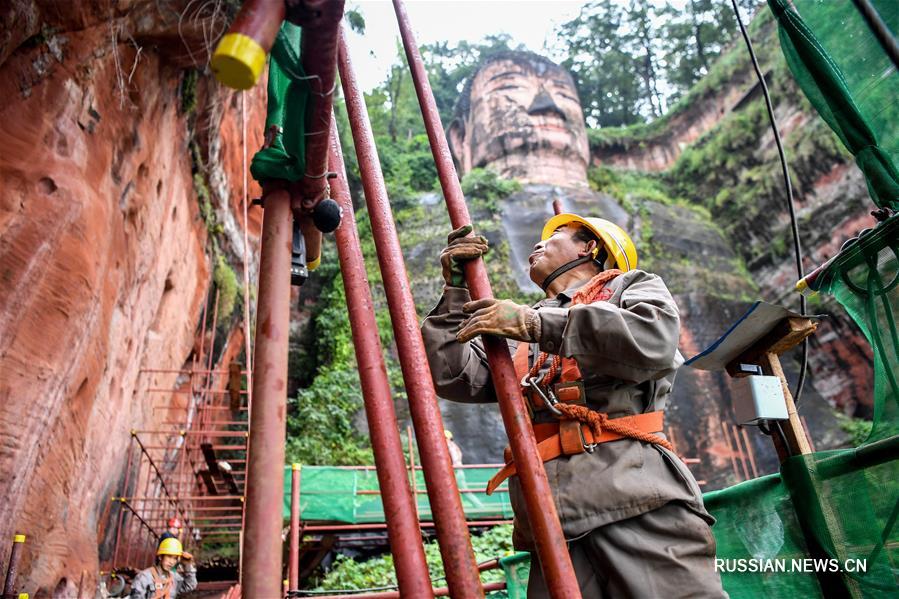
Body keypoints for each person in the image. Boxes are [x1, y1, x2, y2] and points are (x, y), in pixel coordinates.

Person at [421, 215, 725, 597]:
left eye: (556, 236)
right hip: (549, 520)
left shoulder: (629, 287)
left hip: (634, 497)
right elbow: (452, 376)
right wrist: (455, 293)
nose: (539, 244)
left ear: (589, 247)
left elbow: (653, 339)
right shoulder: (516, 328)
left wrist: (539, 325)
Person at [129, 537, 197, 599]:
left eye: (175, 558)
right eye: (169, 556)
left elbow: (190, 585)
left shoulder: (174, 577)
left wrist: (187, 565)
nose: (172, 562)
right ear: (160, 557)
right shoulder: (145, 577)